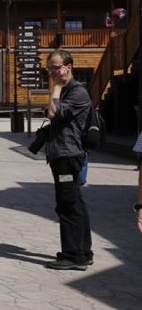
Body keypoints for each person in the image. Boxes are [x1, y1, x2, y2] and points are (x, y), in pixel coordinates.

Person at [42, 49, 93, 270]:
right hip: (62, 154)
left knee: (68, 205)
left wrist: (56, 86)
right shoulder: (67, 91)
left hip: (67, 155)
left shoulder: (76, 92)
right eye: (49, 68)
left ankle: (74, 256)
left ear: (68, 67)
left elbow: (53, 113)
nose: (51, 72)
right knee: (76, 204)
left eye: (54, 67)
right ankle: (84, 251)